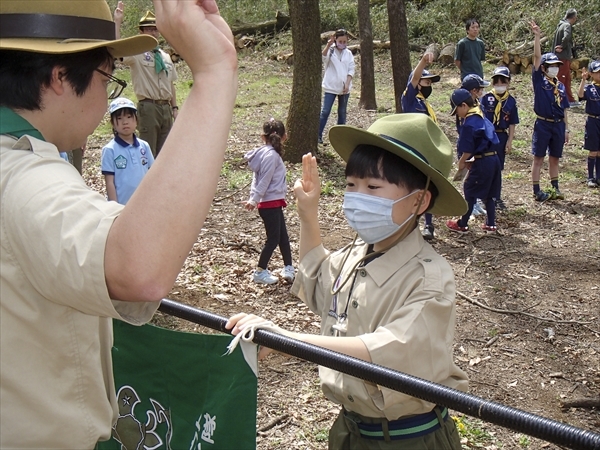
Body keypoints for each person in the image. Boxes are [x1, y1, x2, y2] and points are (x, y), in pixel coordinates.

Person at [0, 0, 238, 447]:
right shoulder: (22, 179)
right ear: (59, 78)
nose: (110, 97)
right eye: (108, 77)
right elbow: (138, 268)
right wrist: (213, 73)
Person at [227, 113, 469, 449]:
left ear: (419, 200)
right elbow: (319, 282)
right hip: (351, 432)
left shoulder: (429, 277)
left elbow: (383, 350)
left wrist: (286, 338)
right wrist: (308, 213)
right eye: (351, 185)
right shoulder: (358, 252)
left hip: (408, 438)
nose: (358, 197)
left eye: (373, 187)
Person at [114, 2, 178, 158]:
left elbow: (171, 83)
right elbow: (118, 50)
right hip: (148, 107)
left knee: (165, 154)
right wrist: (117, 22)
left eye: (155, 29)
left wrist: (174, 108)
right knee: (148, 152)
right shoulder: (136, 53)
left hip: (165, 108)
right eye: (149, 29)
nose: (153, 33)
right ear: (141, 32)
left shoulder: (165, 56)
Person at [243, 118, 295, 285]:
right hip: (269, 203)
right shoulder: (271, 156)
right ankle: (259, 271)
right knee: (273, 238)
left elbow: (256, 179)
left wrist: (254, 197)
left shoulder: (264, 154)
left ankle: (288, 267)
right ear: (284, 136)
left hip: (273, 202)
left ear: (262, 137)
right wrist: (254, 199)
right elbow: (263, 180)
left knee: (282, 237)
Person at [446, 89, 501, 234]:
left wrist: (462, 162)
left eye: (456, 110)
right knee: (489, 193)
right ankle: (491, 224)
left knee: (469, 190)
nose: (457, 114)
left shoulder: (469, 123)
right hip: (494, 158)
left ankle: (462, 223)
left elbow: (468, 149)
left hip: (483, 161)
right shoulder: (481, 114)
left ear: (463, 105)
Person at [400, 52, 440, 240]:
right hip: (411, 150)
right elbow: (415, 77)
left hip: (426, 151)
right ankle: (407, 223)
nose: (428, 86)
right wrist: (423, 62)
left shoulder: (425, 105)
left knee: (427, 187)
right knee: (410, 187)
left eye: (431, 83)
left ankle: (429, 224)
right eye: (426, 82)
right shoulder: (409, 100)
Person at [529, 20, 570, 202]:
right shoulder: (539, 81)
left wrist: (566, 128)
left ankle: (555, 187)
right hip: (543, 123)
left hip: (558, 125)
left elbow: (565, 109)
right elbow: (537, 58)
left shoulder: (560, 86)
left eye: (557, 65)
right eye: (552, 65)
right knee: (538, 157)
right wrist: (537, 36)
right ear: (545, 68)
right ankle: (537, 190)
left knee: (555, 157)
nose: (555, 68)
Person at [102, 97, 154, 205]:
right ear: (113, 123)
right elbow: (109, 182)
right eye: (119, 118)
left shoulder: (144, 146)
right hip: (122, 206)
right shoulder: (110, 150)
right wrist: (114, 207)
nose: (125, 122)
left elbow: (152, 175)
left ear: (136, 120)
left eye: (129, 117)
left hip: (145, 203)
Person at [481, 66, 520, 210]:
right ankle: (483, 196)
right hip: (487, 136)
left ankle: (496, 197)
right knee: (485, 166)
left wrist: (510, 141)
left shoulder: (511, 101)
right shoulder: (485, 98)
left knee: (498, 167)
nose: (499, 84)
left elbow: (512, 123)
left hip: (501, 136)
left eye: (502, 81)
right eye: (496, 81)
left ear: (508, 82)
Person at [459, 73, 490, 217]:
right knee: (468, 177)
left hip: (477, 146)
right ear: (473, 90)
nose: (482, 92)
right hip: (468, 145)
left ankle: (475, 202)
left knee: (476, 175)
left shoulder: (478, 104)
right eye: (480, 89)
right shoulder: (462, 103)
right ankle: (468, 205)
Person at [318, 29, 355, 144]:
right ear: (336, 40)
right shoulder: (331, 50)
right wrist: (329, 44)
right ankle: (318, 135)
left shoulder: (348, 53)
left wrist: (347, 84)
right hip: (331, 87)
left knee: (342, 112)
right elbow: (323, 58)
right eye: (340, 41)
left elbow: (351, 69)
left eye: (345, 41)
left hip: (344, 88)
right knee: (325, 111)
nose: (342, 43)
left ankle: (340, 138)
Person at [578, 61, 600, 188]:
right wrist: (583, 81)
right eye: (598, 72)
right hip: (593, 121)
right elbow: (580, 96)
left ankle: (598, 177)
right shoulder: (590, 88)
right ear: (591, 74)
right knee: (593, 150)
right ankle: (590, 177)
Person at [553, 8, 580, 106]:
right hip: (563, 57)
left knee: (567, 78)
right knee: (562, 78)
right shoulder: (567, 25)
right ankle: (561, 99)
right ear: (573, 18)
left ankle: (570, 99)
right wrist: (562, 46)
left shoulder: (560, 25)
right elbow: (567, 36)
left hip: (560, 57)